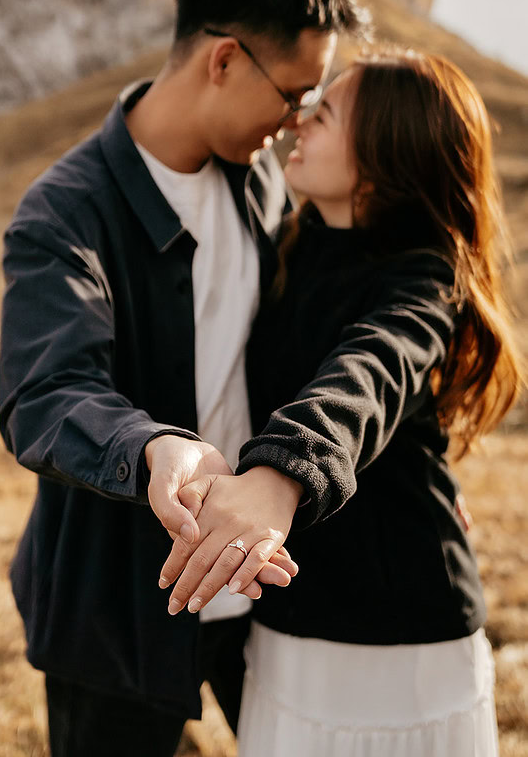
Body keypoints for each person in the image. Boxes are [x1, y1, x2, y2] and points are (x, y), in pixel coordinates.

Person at [0, 0, 365, 755]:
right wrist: (152, 445)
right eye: (292, 94)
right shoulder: (64, 210)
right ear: (224, 59)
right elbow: (44, 391)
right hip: (115, 608)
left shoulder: (262, 178)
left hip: (262, 583)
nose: (295, 121)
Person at [159, 51, 523, 755]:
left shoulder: (423, 276)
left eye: (323, 115)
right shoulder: (291, 247)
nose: (299, 121)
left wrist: (281, 472)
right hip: (288, 622)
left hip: (398, 639)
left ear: (383, 157)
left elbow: (370, 372)